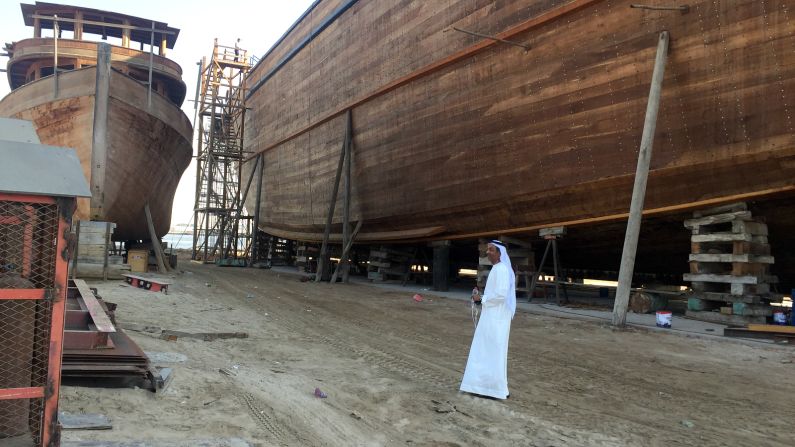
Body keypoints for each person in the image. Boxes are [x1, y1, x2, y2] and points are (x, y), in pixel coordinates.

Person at [460, 240, 516, 400]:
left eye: (492, 250)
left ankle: (493, 388)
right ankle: (483, 386)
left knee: (492, 350)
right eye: (488, 250)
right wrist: (481, 299)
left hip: (496, 317)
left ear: (500, 253)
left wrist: (481, 298)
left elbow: (501, 295)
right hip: (492, 315)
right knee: (485, 349)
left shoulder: (502, 270)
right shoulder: (498, 269)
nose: (488, 252)